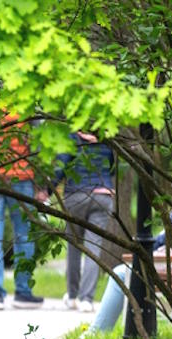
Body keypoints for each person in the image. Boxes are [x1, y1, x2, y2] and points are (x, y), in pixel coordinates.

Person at [91, 162, 172, 332]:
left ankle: (98, 332)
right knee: (124, 271)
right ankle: (99, 331)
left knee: (123, 273)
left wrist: (153, 245)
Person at [0, 114, 44, 309]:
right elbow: (39, 142)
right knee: (24, 236)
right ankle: (23, 293)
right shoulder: (24, 104)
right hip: (21, 176)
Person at [52, 131, 116, 313]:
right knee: (93, 248)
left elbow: (60, 168)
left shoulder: (71, 138)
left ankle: (73, 296)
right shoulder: (106, 139)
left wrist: (47, 191)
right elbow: (111, 167)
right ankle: (86, 299)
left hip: (76, 195)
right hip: (102, 196)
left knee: (74, 245)